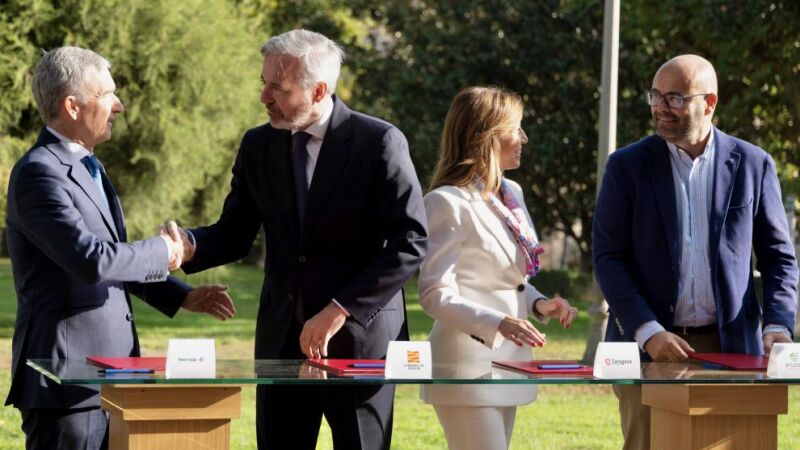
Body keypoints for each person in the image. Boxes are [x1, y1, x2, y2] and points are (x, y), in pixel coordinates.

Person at [167, 29, 427, 450]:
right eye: (264, 83)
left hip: (360, 341)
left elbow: (410, 241)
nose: (264, 97)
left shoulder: (379, 142)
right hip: (281, 343)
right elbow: (234, 233)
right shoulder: (257, 145)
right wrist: (189, 245)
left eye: (278, 88)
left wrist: (339, 309)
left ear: (318, 90)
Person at [4, 46, 236, 450]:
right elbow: (90, 259)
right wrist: (165, 250)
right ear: (72, 106)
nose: (119, 106)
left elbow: (112, 258)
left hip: (114, 381)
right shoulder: (39, 173)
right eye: (108, 94)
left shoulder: (89, 167)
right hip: (68, 386)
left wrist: (180, 297)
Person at [593, 54, 798, 450]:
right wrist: (647, 331)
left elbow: (779, 259)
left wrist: (777, 325)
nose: (660, 107)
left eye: (674, 98)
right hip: (647, 349)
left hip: (731, 347)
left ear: (710, 103)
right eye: (655, 96)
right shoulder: (626, 166)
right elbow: (608, 257)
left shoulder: (753, 164)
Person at [418, 86, 578, 450]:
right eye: (516, 128)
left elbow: (510, 279)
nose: (524, 138)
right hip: (465, 366)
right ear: (487, 136)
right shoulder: (446, 202)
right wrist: (498, 322)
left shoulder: (511, 193)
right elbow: (434, 294)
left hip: (508, 364)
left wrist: (540, 305)